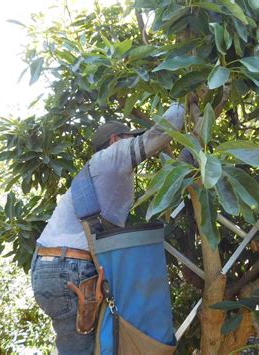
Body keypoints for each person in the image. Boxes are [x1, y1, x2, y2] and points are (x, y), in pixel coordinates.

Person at [30, 102, 185, 354]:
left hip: (51, 265)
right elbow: (163, 130)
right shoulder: (111, 158)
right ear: (116, 140)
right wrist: (186, 95)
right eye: (128, 138)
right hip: (70, 267)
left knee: (86, 347)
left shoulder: (99, 173)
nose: (130, 143)